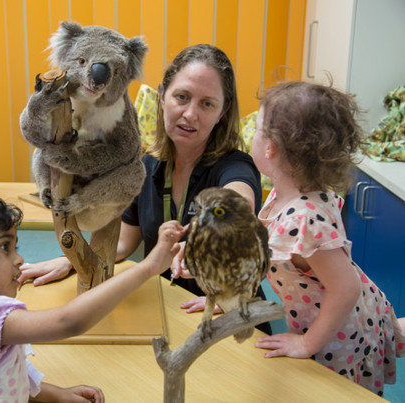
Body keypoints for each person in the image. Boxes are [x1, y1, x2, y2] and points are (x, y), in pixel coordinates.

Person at [19, 44, 270, 328]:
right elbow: (124, 244)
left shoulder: (235, 165)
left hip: (231, 319)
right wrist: (70, 261)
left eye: (207, 104)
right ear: (162, 96)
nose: (190, 114)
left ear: (222, 111)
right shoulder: (147, 168)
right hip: (168, 312)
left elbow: (239, 202)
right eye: (182, 97)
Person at [0, 186, 186, 402]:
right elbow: (68, 321)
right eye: (5, 247)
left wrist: (58, 395)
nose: (18, 259)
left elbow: (4, 378)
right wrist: (147, 267)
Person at [250, 81, 405, 396]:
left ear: (271, 148)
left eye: (256, 128)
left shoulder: (303, 220)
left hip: (343, 333)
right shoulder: (286, 192)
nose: (252, 135)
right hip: (337, 310)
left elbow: (346, 289)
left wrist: (308, 343)